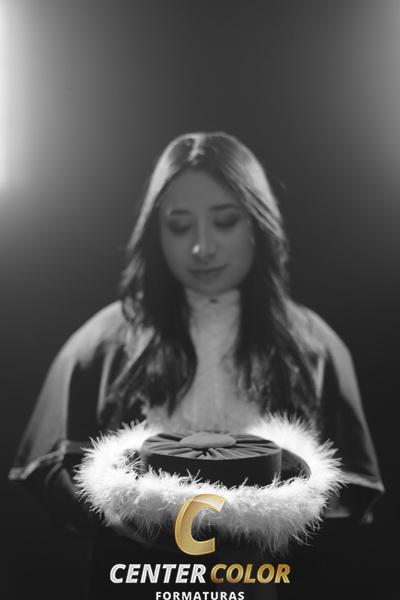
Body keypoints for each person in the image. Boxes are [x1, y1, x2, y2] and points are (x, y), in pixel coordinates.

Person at [9, 132, 384, 599]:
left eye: (225, 221)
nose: (202, 248)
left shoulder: (313, 346)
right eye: (179, 226)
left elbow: (346, 490)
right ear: (155, 233)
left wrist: (270, 522)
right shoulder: (104, 341)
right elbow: (56, 471)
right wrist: (123, 515)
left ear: (258, 224)